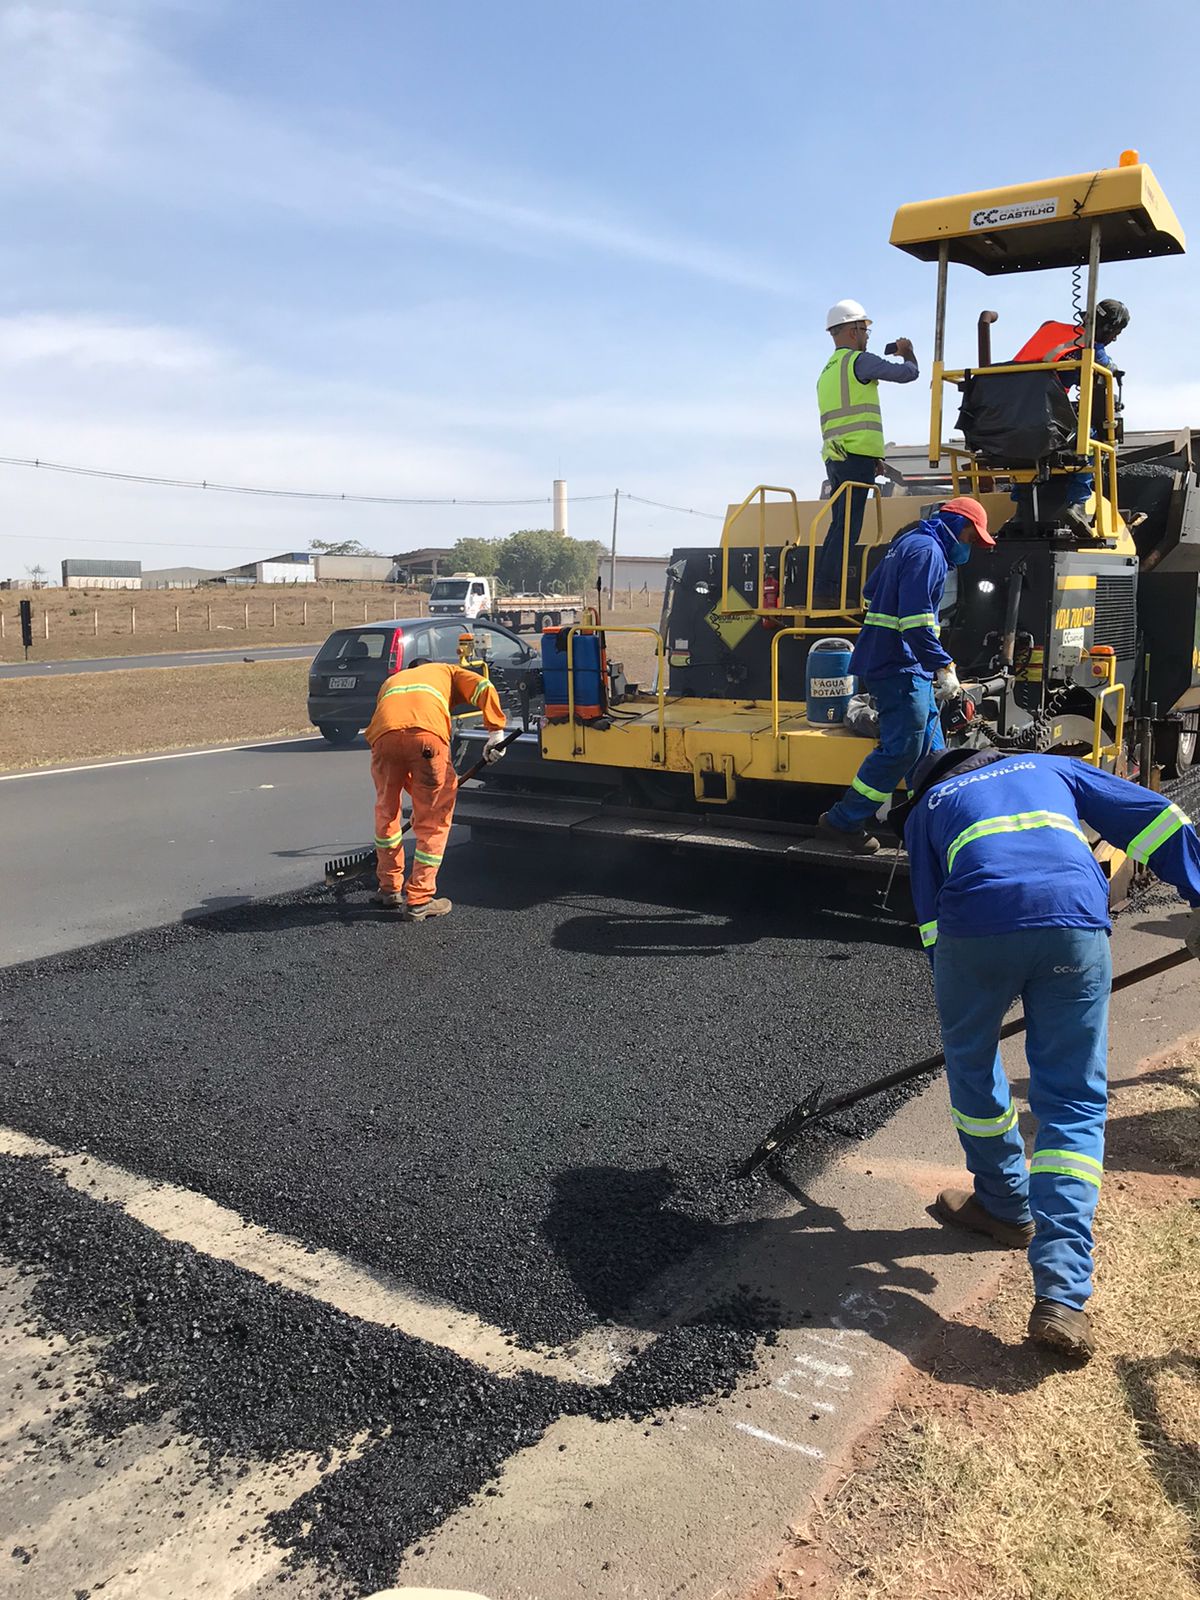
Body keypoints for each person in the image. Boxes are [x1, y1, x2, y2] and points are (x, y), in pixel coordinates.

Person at [892, 745, 1200, 1359]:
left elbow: (930, 917)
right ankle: (1061, 1296)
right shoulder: (1048, 766)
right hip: (1074, 919)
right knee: (1074, 1101)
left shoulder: (928, 806)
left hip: (975, 930)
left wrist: (967, 989)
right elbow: (1155, 817)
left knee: (973, 1065)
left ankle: (1005, 1204)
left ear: (934, 779)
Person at [818, 496, 994, 854]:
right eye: (972, 540)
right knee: (905, 748)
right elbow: (914, 621)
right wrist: (943, 665)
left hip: (900, 662)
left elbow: (870, 591)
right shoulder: (928, 552)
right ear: (959, 527)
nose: (970, 548)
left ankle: (929, 829)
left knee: (934, 753)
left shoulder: (908, 544)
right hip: (898, 665)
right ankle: (843, 820)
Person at [363, 658, 508, 919]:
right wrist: (496, 732)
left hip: (383, 739)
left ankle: (388, 889)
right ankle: (419, 899)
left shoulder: (392, 682)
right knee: (434, 820)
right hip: (428, 738)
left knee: (386, 812)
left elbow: (398, 734)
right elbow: (483, 687)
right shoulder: (447, 672)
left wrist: (416, 792)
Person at [814, 300, 919, 607]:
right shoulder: (858, 362)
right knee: (848, 525)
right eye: (865, 329)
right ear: (852, 330)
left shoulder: (828, 371)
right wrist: (907, 351)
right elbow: (908, 374)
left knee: (840, 524)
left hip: (837, 457)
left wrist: (874, 458)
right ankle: (828, 590)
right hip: (853, 459)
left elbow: (845, 421)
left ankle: (826, 587)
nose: (868, 336)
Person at [1013, 299, 1130, 533]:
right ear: (1106, 327)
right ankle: (1077, 504)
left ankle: (1020, 510)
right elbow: (1105, 366)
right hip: (1043, 419)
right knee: (1090, 438)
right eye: (1115, 332)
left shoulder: (1053, 330)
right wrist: (1113, 373)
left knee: (1022, 457)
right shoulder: (1088, 346)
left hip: (1009, 416)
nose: (1114, 338)